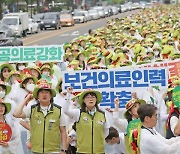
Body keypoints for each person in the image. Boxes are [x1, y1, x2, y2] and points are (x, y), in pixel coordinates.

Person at [13, 79, 67, 154]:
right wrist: (26, 99)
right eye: (41, 92)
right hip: (36, 150)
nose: (44, 94)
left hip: (53, 150)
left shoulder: (58, 110)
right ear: (37, 95)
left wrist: (64, 149)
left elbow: (63, 131)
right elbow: (16, 114)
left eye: (47, 92)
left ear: (51, 95)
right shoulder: (32, 109)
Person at [64, 87, 109, 154]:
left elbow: (106, 132)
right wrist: (68, 95)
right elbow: (65, 111)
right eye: (87, 97)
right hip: (82, 151)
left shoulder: (103, 114)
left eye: (93, 97)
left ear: (96, 100)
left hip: (99, 151)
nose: (91, 99)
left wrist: (98, 140)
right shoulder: (78, 113)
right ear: (84, 100)